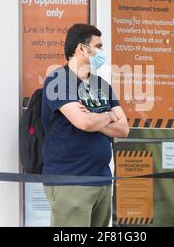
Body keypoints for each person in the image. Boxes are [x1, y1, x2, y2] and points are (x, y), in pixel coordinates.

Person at [41, 24, 129, 227]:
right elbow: (83, 122)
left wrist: (94, 117)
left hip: (101, 180)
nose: (102, 52)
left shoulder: (101, 84)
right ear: (81, 49)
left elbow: (123, 128)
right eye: (98, 46)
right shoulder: (59, 80)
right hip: (71, 181)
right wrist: (108, 115)